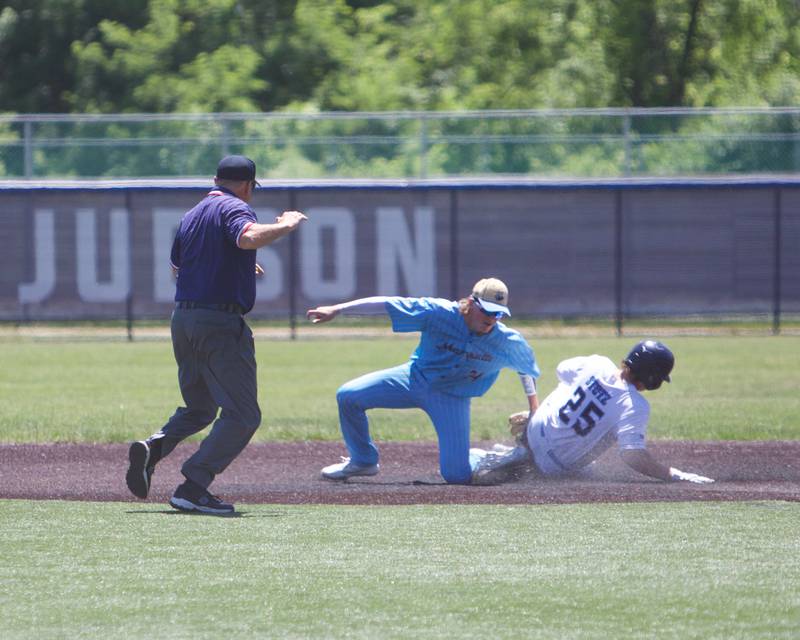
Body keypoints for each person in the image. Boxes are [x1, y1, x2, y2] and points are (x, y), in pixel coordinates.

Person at [125, 155, 307, 514]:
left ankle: (154, 449)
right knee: (243, 415)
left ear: (215, 179)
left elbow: (180, 268)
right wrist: (285, 225)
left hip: (184, 320)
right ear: (247, 185)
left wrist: (228, 266)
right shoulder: (234, 207)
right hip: (218, 324)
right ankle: (194, 487)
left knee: (201, 407)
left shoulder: (191, 215)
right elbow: (247, 236)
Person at [306, 278, 541, 484]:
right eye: (487, 310)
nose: (491, 318)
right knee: (348, 395)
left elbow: (526, 368)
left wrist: (534, 410)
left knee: (457, 476)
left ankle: (497, 457)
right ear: (470, 303)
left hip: (452, 398)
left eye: (498, 313)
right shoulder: (438, 313)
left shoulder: (506, 340)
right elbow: (388, 304)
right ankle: (363, 461)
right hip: (413, 378)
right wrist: (337, 309)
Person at [470, 340, 715, 485]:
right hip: (550, 467)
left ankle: (510, 454)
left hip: (534, 430)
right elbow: (633, 456)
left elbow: (561, 371)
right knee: (589, 474)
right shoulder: (635, 405)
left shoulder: (598, 363)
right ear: (651, 379)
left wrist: (541, 412)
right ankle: (508, 461)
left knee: (594, 470)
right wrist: (674, 474)